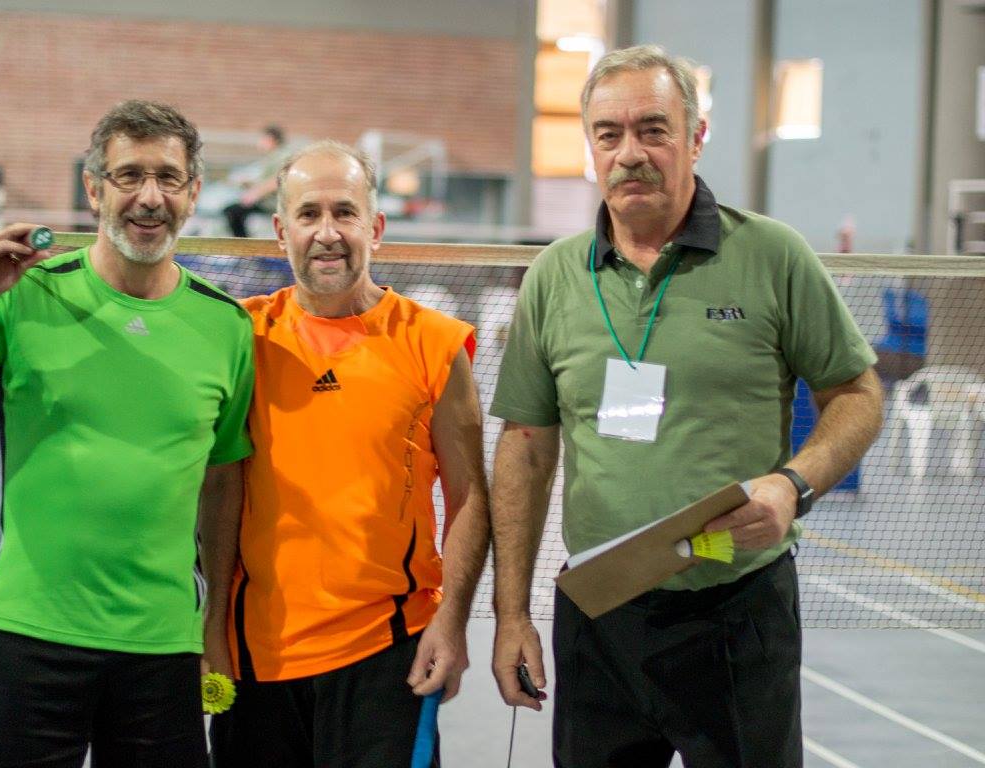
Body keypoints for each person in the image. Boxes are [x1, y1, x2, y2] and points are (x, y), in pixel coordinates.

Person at [488, 45, 884, 768]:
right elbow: (526, 447)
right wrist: (511, 613)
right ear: (590, 148)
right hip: (600, 611)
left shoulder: (772, 255)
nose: (630, 153)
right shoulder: (553, 276)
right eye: (609, 134)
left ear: (696, 138)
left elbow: (857, 393)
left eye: (653, 130)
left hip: (737, 611)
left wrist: (793, 485)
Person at [0, 99, 254, 768]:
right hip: (29, 633)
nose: (149, 196)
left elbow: (223, 482)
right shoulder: (20, 292)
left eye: (168, 177)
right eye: (129, 175)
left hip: (163, 642)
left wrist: (214, 621)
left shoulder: (227, 326)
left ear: (193, 193)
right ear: (94, 188)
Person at [210, 140, 490, 767]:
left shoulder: (435, 343)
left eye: (345, 212)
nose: (327, 232)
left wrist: (452, 622)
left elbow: (470, 496)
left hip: (389, 653)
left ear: (376, 227)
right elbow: (218, 490)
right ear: (281, 231)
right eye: (308, 214)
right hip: (257, 656)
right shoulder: (238, 337)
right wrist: (209, 627)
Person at [222, 124, 287, 237]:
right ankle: (243, 243)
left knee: (233, 212)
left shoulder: (281, 156)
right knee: (232, 210)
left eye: (263, 139)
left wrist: (254, 195)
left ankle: (243, 245)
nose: (260, 142)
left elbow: (277, 180)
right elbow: (263, 181)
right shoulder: (270, 158)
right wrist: (246, 183)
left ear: (271, 139)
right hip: (265, 201)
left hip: (272, 203)